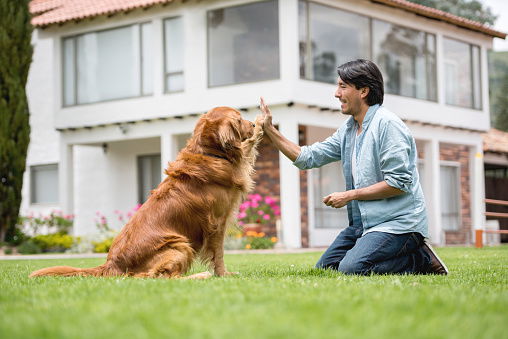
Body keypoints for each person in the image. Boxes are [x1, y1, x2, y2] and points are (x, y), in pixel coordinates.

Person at [259, 59, 448, 275]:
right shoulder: (349, 130)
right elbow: (308, 157)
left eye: (342, 86)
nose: (336, 94)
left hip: (398, 225)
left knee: (352, 268)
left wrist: (350, 195)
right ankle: (400, 254)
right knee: (326, 269)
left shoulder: (388, 126)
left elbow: (398, 184)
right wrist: (271, 130)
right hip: (363, 225)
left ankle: (420, 259)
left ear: (364, 91)